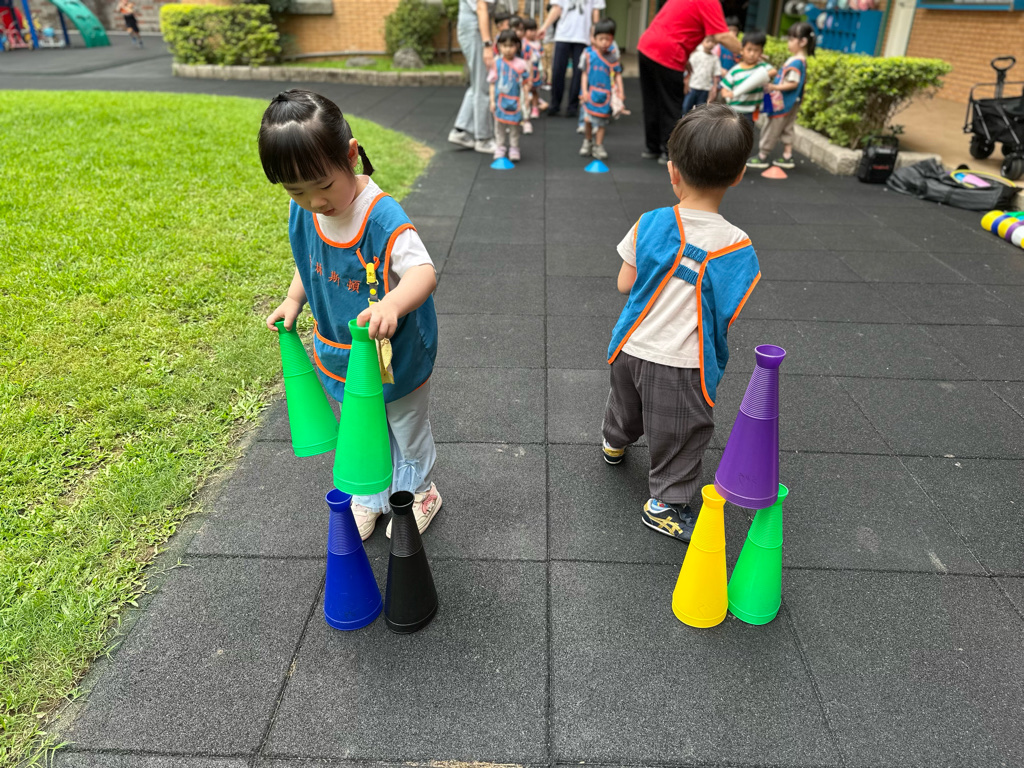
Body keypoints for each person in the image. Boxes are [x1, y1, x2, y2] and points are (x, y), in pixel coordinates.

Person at [259, 90, 442, 541]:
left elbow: (423, 272)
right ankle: (371, 495)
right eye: (296, 191)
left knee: (404, 424)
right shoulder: (306, 212)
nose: (314, 201)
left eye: (323, 186)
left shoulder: (380, 216)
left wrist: (392, 304)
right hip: (343, 351)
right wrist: (294, 299)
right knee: (360, 422)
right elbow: (309, 262)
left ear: (351, 155)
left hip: (394, 355)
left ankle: (419, 491)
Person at [602, 103, 760, 542]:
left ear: (672, 171)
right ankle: (666, 504)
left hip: (629, 347)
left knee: (627, 404)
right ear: (739, 175)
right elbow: (728, 309)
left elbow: (624, 283)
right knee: (683, 434)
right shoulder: (738, 245)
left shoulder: (650, 222)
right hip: (682, 364)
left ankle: (614, 441)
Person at [636, 0, 741, 164]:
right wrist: (746, 51)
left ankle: (652, 148)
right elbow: (722, 36)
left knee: (652, 101)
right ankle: (669, 152)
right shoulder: (710, 2)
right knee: (671, 105)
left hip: (647, 45)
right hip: (669, 53)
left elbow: (676, 25)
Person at [747, 22, 815, 170]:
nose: (788, 43)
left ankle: (762, 155)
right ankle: (787, 155)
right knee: (787, 128)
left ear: (803, 42)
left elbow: (793, 83)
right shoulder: (800, 60)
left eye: (791, 39)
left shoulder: (796, 62)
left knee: (772, 127)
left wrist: (774, 87)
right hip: (792, 102)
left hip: (782, 102)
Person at [538, 0, 604, 117]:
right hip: (563, 34)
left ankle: (573, 106)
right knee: (557, 71)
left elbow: (595, 12)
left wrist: (595, 34)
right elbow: (557, 8)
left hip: (583, 36)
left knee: (579, 73)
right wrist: (544, 27)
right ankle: (555, 104)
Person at [449, 0, 497, 155]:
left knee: (477, 84)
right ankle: (483, 139)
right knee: (483, 86)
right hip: (475, 31)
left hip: (472, 30)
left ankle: (460, 130)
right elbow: (481, 7)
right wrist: (487, 45)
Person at [578, 19, 623, 161]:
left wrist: (621, 92)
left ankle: (599, 145)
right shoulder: (588, 55)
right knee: (587, 120)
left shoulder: (612, 57)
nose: (604, 42)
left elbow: (617, 75)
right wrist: (584, 91)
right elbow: (584, 74)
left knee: (602, 123)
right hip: (590, 94)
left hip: (605, 96)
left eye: (607, 39)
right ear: (594, 38)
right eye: (601, 39)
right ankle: (587, 141)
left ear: (612, 39)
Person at [489, 30, 531, 161]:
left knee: (514, 126)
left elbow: (525, 83)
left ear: (517, 46)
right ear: (499, 46)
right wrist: (492, 101)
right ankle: (500, 146)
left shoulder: (521, 64)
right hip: (500, 100)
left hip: (516, 101)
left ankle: (514, 147)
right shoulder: (496, 63)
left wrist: (526, 98)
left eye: (511, 46)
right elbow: (492, 83)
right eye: (504, 46)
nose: (508, 49)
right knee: (499, 126)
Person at [719, 31, 774, 126]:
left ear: (761, 52)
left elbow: (773, 71)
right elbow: (724, 89)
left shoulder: (762, 67)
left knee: (747, 133)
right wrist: (729, 94)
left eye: (756, 50)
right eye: (749, 50)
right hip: (734, 110)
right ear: (742, 50)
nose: (752, 54)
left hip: (750, 112)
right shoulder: (735, 71)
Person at [682, 36, 722, 113]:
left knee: (700, 111)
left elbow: (716, 74)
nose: (710, 44)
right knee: (685, 108)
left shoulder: (715, 59)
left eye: (712, 42)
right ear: (702, 42)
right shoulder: (696, 55)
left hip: (705, 89)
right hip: (692, 86)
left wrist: (714, 88)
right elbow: (689, 69)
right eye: (708, 41)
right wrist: (686, 81)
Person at [522, 17, 545, 118]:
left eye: (534, 30)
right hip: (525, 70)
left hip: (535, 71)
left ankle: (535, 108)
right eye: (530, 30)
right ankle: (524, 108)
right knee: (524, 91)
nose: (533, 33)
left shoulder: (538, 44)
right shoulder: (523, 43)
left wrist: (543, 70)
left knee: (535, 90)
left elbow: (542, 57)